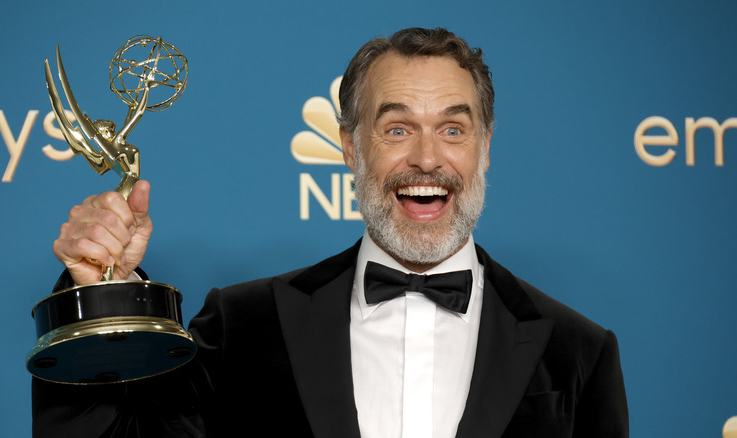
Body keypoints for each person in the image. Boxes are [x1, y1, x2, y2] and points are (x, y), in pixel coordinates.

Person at [33, 27, 629, 438]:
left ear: (486, 148)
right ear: (349, 146)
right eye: (397, 129)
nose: (428, 158)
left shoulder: (577, 353)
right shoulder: (241, 326)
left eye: (453, 130)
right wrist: (98, 297)